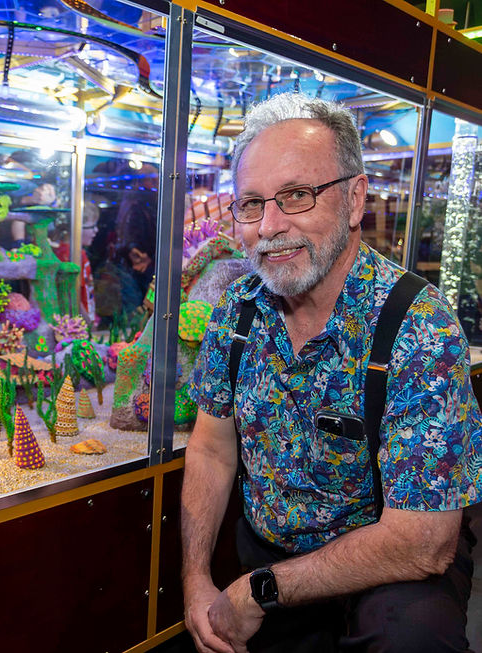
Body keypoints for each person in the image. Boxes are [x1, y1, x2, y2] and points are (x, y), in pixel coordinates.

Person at [181, 92, 481, 653]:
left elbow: (425, 541)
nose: (269, 226)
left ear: (354, 199)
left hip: (388, 570)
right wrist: (196, 578)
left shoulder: (416, 327)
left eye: (297, 195)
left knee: (412, 638)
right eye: (251, 203)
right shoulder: (238, 311)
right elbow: (212, 450)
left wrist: (258, 592)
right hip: (266, 553)